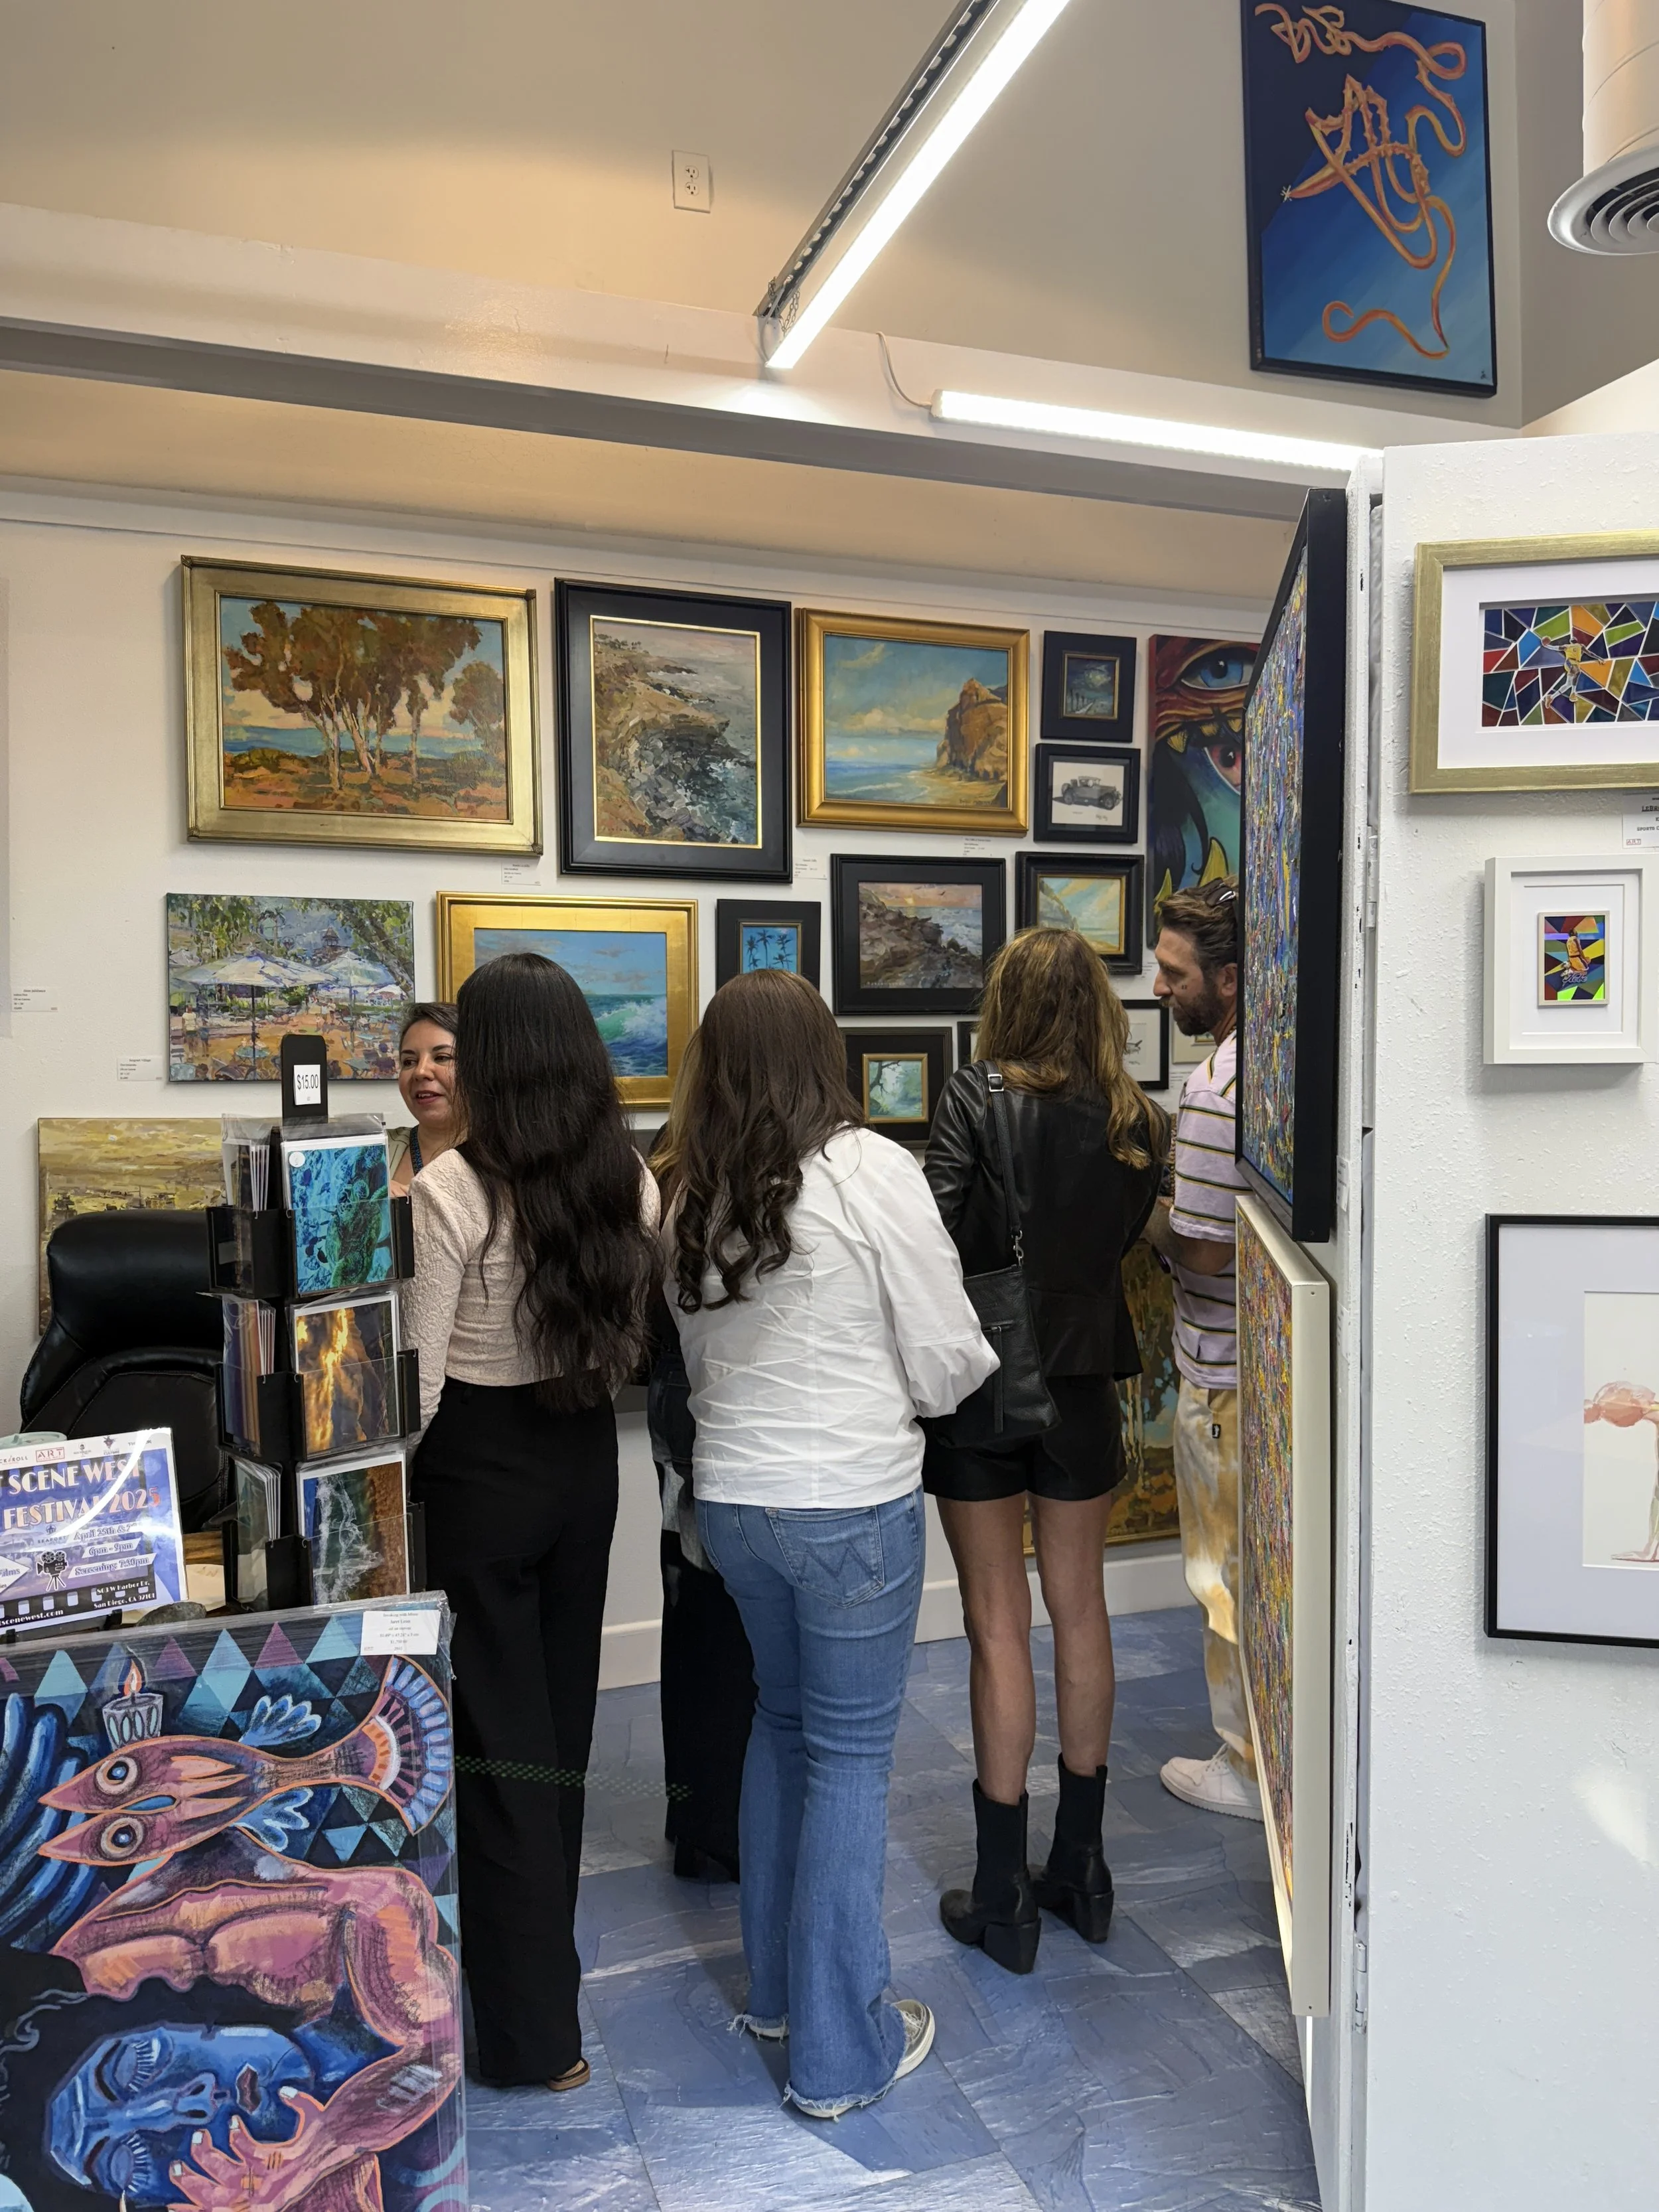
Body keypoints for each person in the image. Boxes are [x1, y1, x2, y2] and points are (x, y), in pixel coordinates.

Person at [661, 970, 995, 2120]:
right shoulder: (869, 1169)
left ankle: (777, 1995)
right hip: (850, 1501)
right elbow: (949, 1353)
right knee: (850, 1758)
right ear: (824, 1053)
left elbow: (700, 1368)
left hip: (738, 1505)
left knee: (780, 1726)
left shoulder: (691, 1189)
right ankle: (840, 2053)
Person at [403, 952, 660, 2093]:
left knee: (498, 1753)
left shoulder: (450, 1191)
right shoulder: (629, 1180)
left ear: (494, 1058)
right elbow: (629, 1339)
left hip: (478, 1471)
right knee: (555, 1741)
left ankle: (528, 2037)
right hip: (584, 1462)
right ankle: (539, 2001)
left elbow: (413, 1389)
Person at [922, 927, 1168, 1972]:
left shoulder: (974, 1096)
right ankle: (1083, 1868)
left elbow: (933, 1241)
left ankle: (1001, 1892)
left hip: (984, 1384)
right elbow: (1117, 1247)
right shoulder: (1135, 1117)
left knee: (993, 1625)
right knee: (1082, 1609)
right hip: (1082, 1390)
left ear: (1006, 1003)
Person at [1145, 877, 1262, 1821]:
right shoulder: (1274, 1059)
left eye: (1173, 971)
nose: (1156, 987)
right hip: (1257, 1372)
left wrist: (1139, 1218)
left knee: (1220, 1574)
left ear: (1227, 979)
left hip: (1219, 1376)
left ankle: (1246, 1762)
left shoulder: (1215, 1087)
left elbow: (1206, 1245)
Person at [391, 1002, 459, 1192]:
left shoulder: (508, 1159)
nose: (420, 1072)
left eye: (442, 1057)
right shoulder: (370, 1155)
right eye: (409, 1062)